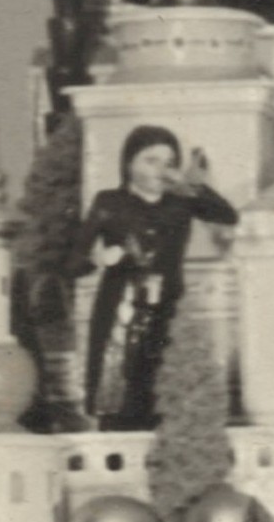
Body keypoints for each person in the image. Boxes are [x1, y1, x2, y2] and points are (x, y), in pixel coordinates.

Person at [81, 126, 236, 429]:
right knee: (118, 392)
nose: (160, 170)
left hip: (169, 307)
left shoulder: (180, 202)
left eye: (168, 162)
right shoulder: (109, 202)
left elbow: (227, 215)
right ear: (129, 163)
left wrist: (190, 184)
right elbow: (74, 261)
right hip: (119, 312)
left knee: (166, 390)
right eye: (150, 160)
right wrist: (99, 258)